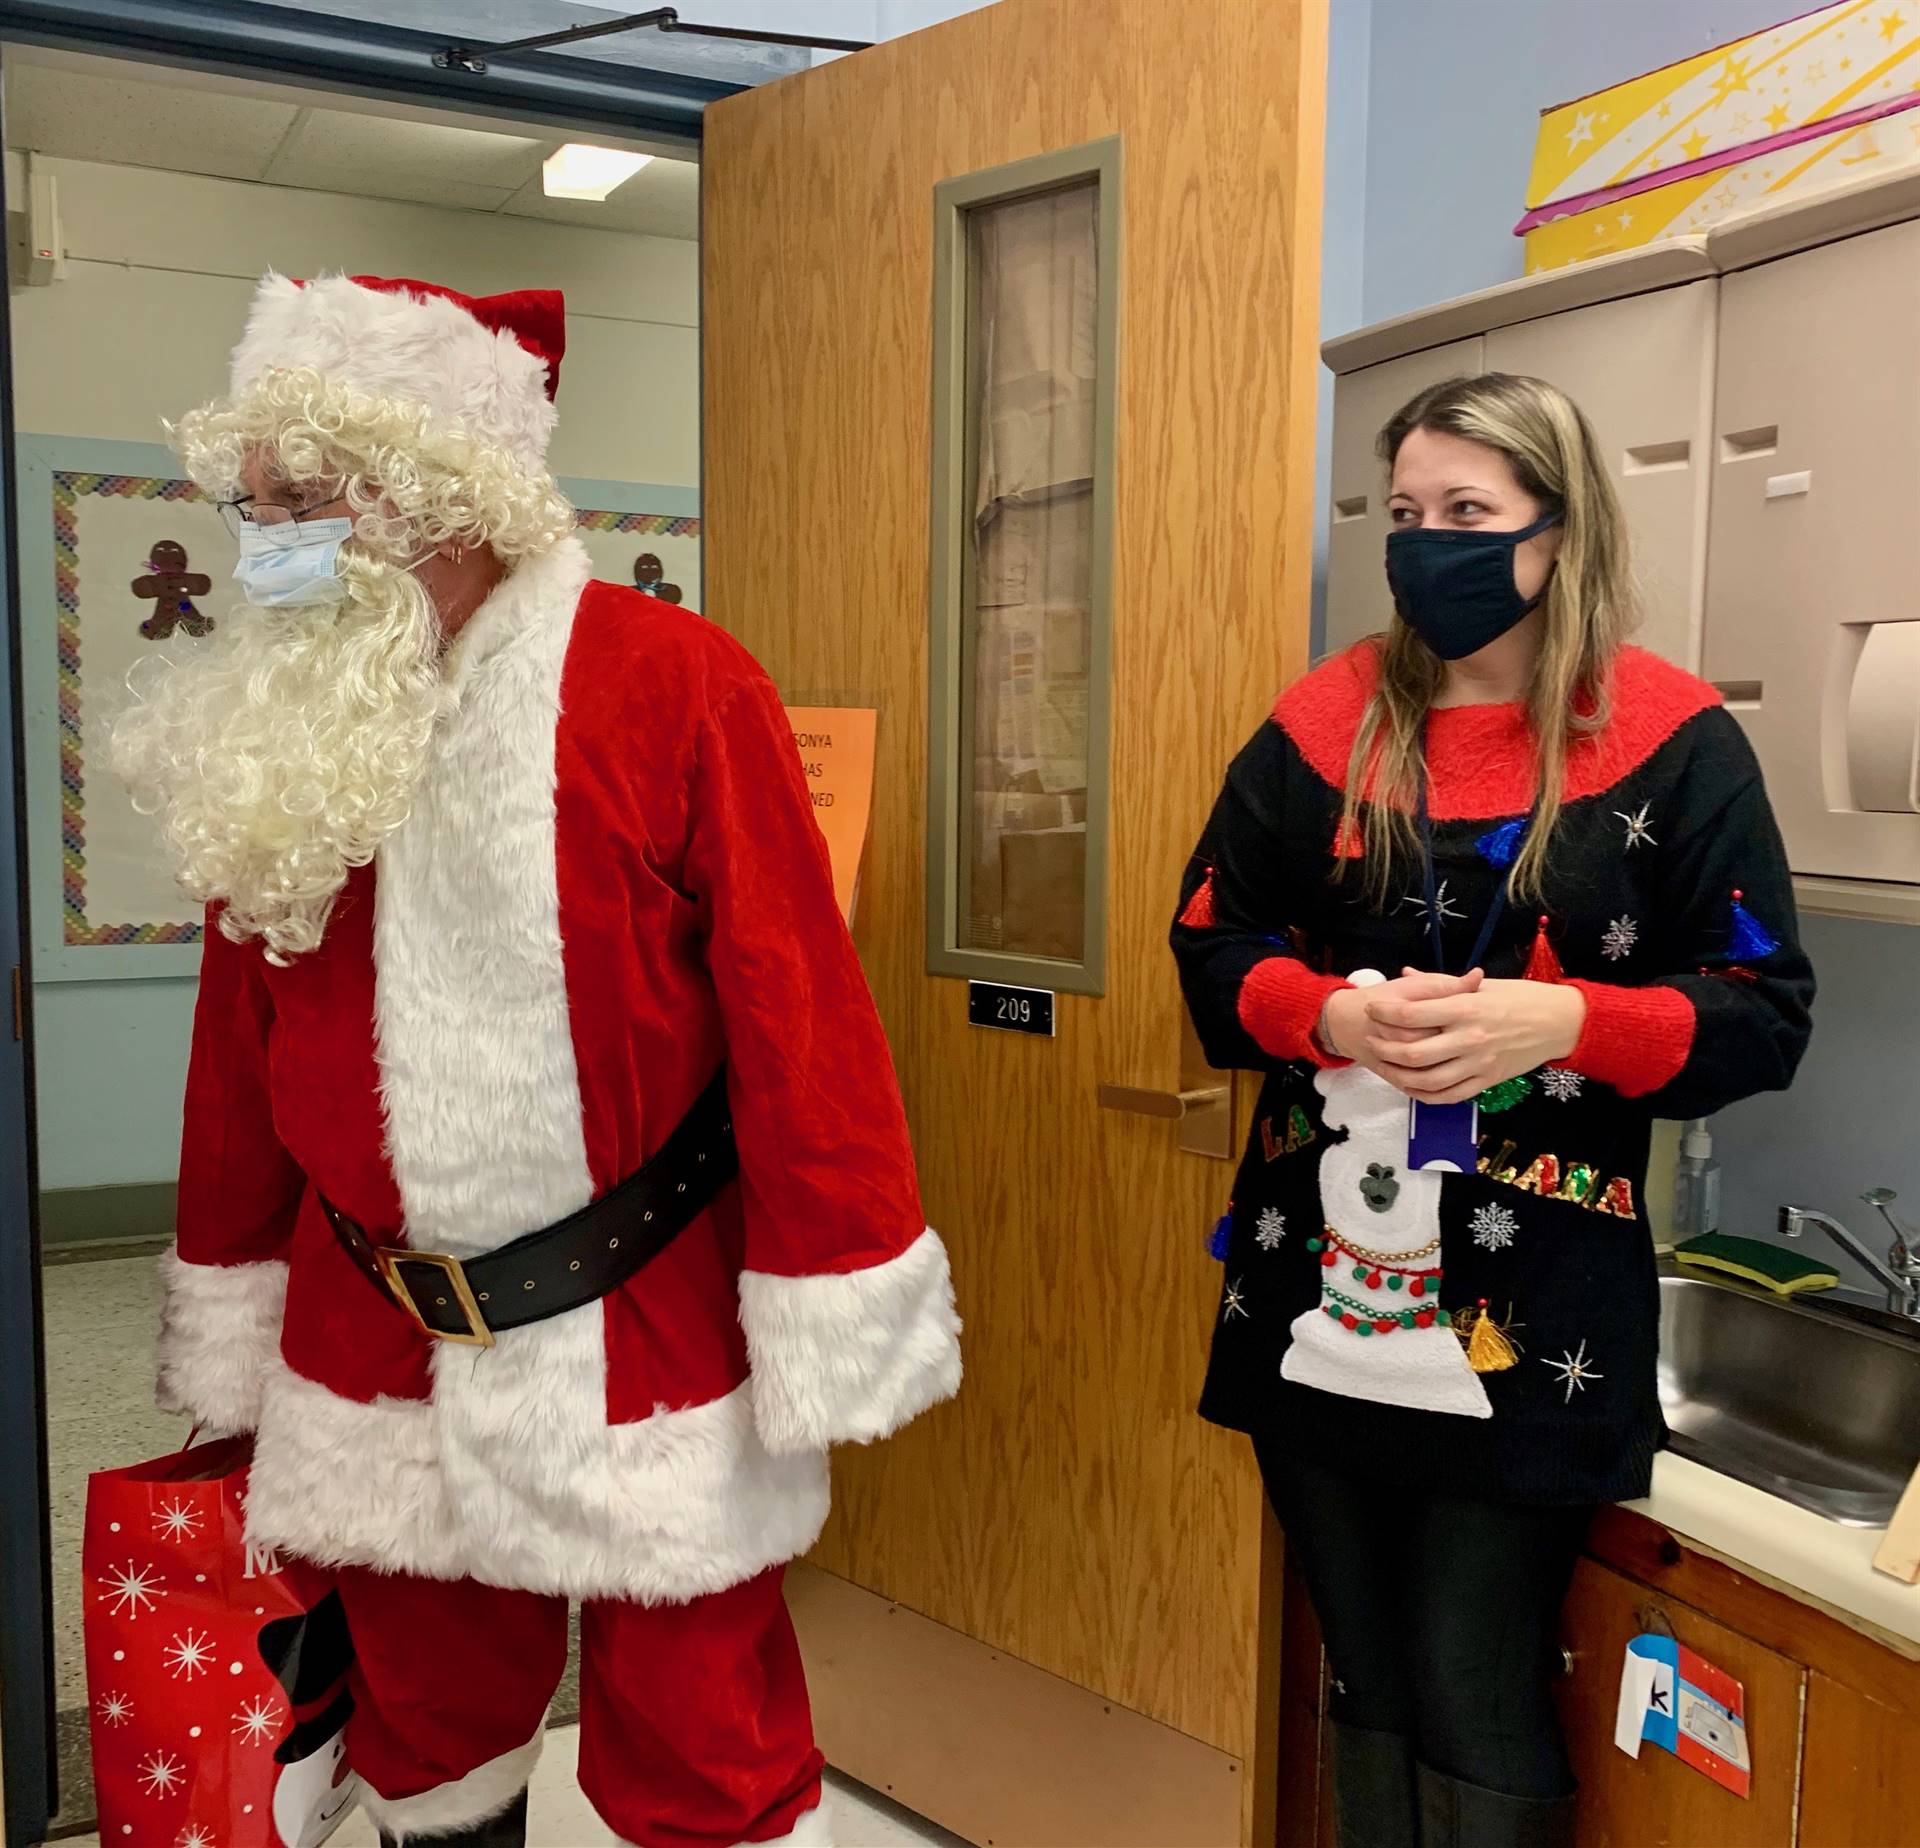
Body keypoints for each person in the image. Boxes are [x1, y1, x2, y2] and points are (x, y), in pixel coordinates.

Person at [112, 272, 963, 1848]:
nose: (268, 541)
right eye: (255, 504)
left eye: (302, 500)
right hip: (369, 1328)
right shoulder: (282, 729)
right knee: (425, 1736)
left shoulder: (674, 684)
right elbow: (236, 1061)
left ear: (432, 487)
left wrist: (837, 1283)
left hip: (650, 1322)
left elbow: (804, 1017)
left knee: (705, 1735)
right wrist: (224, 1299)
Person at [1171, 372, 1813, 1848]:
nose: (1428, 544)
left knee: (1475, 1677)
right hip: (1314, 1295)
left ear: (1557, 529)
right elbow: (1210, 943)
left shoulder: (1673, 737)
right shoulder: (1320, 722)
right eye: (1406, 515)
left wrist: (1568, 1018)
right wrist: (1321, 1010)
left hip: (1538, 1332)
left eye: (1469, 512)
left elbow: (1766, 1012)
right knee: (1367, 1671)